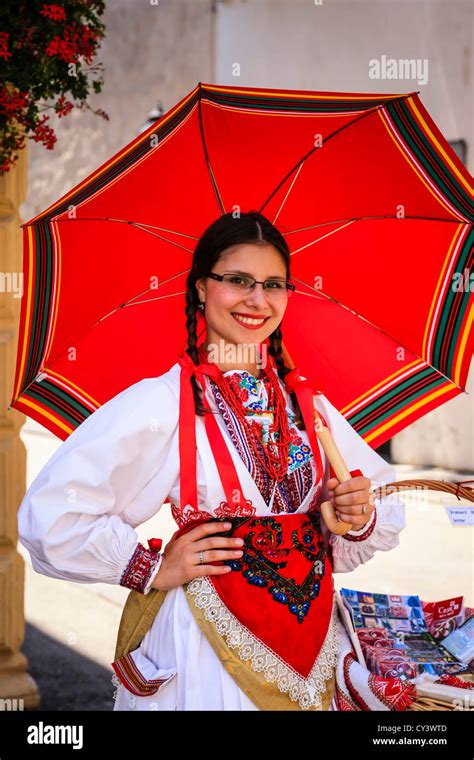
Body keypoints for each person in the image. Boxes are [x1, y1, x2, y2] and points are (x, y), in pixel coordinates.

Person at [18, 211, 406, 711]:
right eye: (238, 280)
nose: (257, 300)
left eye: (273, 284)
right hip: (205, 645)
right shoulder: (164, 401)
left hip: (311, 644)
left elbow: (383, 501)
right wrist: (151, 566)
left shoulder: (308, 405)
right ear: (201, 287)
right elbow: (52, 512)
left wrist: (354, 514)